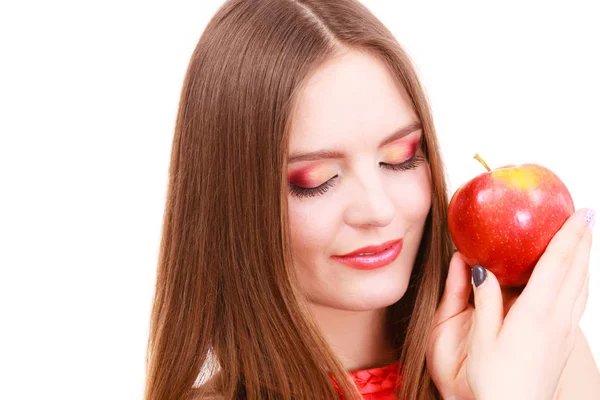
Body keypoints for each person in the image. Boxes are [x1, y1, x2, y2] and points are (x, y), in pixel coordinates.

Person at [143, 0, 600, 398]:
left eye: (400, 158)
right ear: (233, 204)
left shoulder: (533, 352)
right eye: (316, 179)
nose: (379, 210)